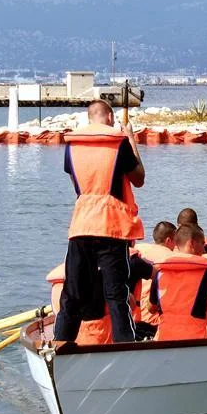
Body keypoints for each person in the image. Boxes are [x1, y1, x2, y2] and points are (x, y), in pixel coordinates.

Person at [55, 99, 145, 344]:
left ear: (89, 118)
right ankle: (125, 344)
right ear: (109, 118)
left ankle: (60, 343)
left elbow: (77, 179)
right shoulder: (118, 141)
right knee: (116, 293)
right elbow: (139, 178)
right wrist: (131, 140)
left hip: (81, 224)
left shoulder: (72, 144)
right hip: (110, 225)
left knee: (72, 291)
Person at [149, 224, 207, 341]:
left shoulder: (160, 271)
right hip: (194, 340)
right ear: (192, 243)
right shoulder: (204, 272)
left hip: (164, 340)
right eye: (202, 244)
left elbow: (151, 308)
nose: (204, 250)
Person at [131, 221, 176, 340]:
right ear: (168, 241)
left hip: (135, 315)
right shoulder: (172, 258)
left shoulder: (137, 251)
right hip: (154, 320)